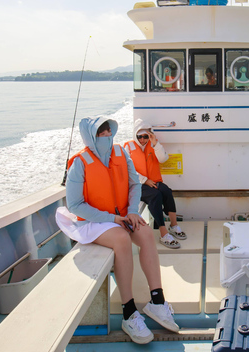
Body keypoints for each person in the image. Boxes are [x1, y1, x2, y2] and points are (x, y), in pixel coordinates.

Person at [56, 117, 179, 344]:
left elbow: (134, 184)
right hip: (93, 221)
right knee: (122, 239)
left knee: (144, 233)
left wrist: (132, 211)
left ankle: (157, 301)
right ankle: (129, 312)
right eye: (100, 134)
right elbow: (74, 205)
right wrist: (112, 218)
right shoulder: (79, 164)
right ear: (90, 137)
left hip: (123, 215)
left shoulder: (121, 154)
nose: (106, 137)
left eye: (108, 133)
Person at [123, 119, 186, 249]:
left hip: (155, 181)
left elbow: (163, 159)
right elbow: (127, 169)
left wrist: (155, 143)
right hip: (138, 184)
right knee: (155, 196)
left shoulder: (154, 145)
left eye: (145, 136)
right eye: (139, 137)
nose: (142, 140)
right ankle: (163, 234)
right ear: (135, 135)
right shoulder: (128, 147)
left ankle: (174, 225)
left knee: (167, 191)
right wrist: (144, 180)